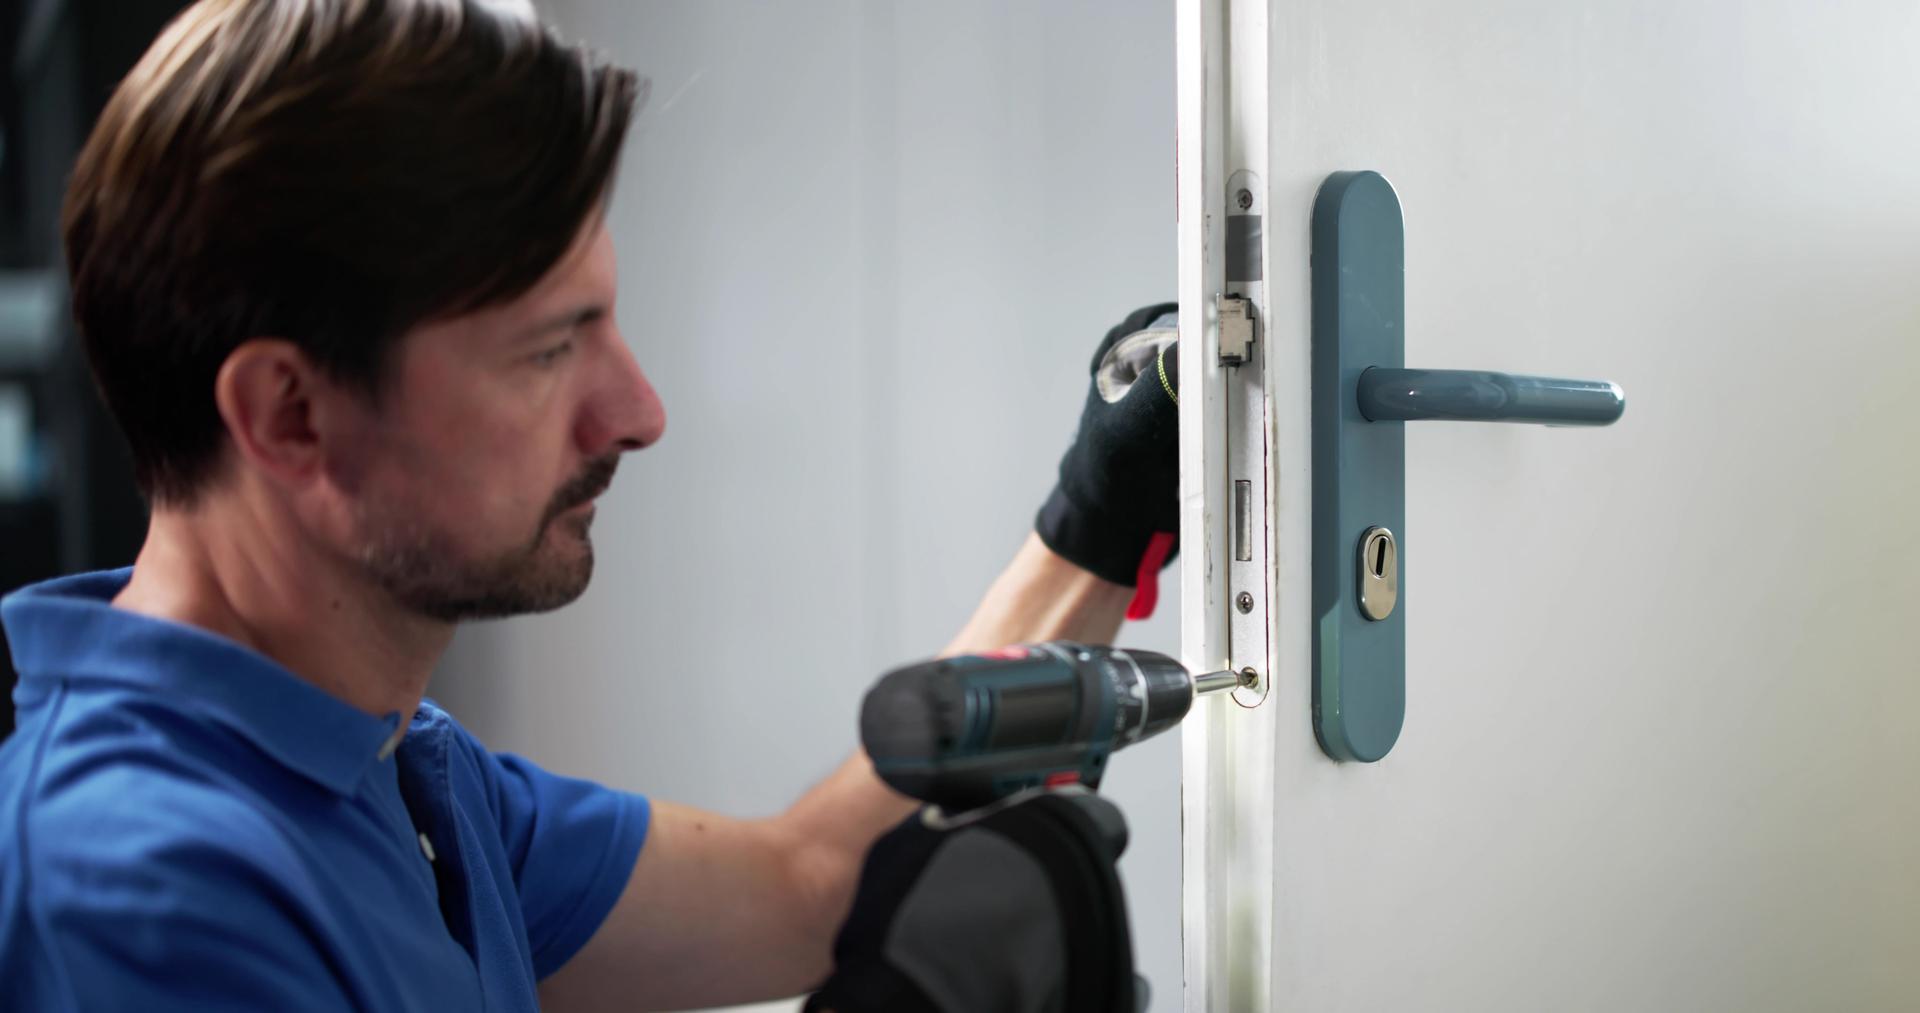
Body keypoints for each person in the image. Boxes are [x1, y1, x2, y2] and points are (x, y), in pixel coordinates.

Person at [0, 2, 1180, 1010]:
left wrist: (1094, 514)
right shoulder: (144, 886)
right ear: (291, 414)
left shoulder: (396, 766)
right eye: (547, 351)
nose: (640, 409)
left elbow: (810, 881)